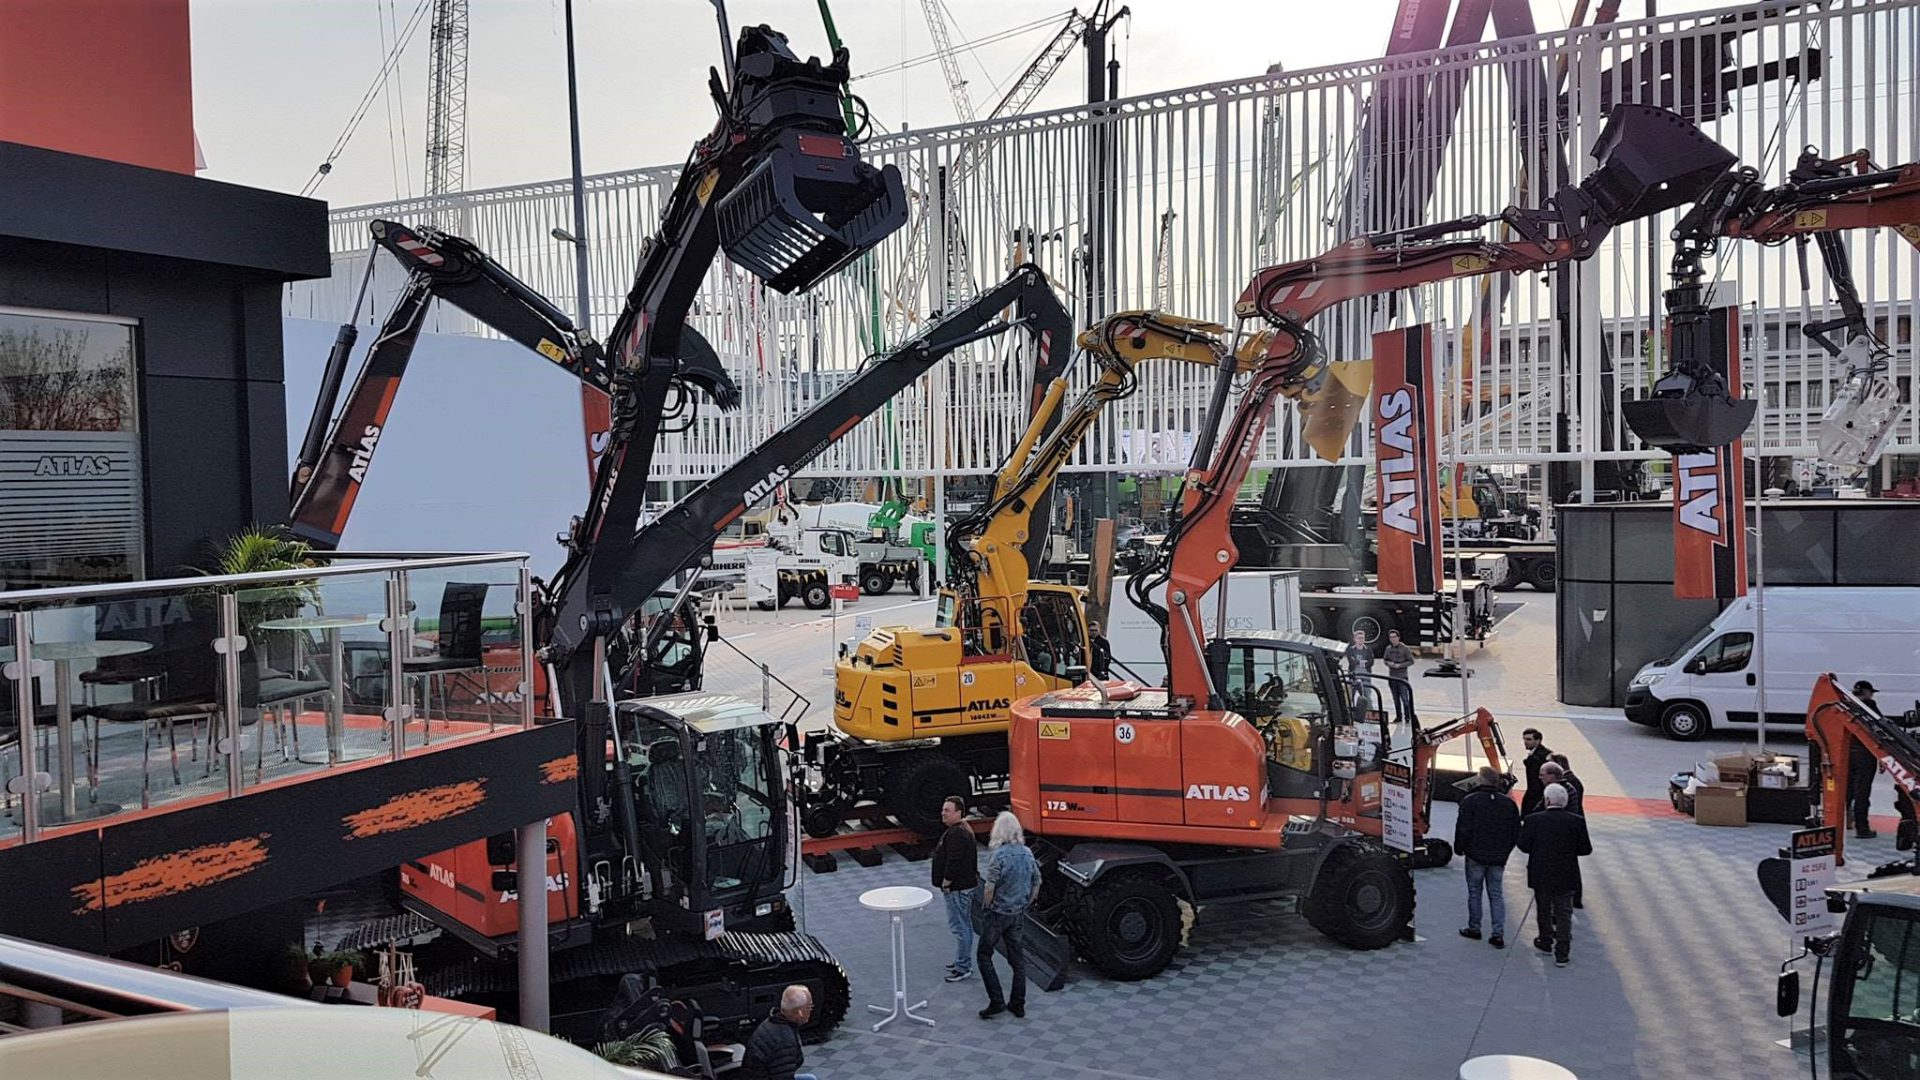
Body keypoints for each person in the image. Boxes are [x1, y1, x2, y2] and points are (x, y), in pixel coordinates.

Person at [1516, 783, 1592, 968]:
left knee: (1543, 909)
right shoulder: (1576, 821)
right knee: (1564, 912)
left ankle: (1545, 941)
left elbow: (1523, 845)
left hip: (1541, 872)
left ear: (1547, 800)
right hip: (1566, 873)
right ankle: (1563, 953)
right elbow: (1585, 849)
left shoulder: (1534, 820)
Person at [977, 811, 1039, 1020]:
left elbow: (989, 887)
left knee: (984, 955)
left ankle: (996, 1002)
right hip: (1017, 914)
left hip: (997, 914)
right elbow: (1036, 883)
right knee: (1017, 961)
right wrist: (1025, 903)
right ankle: (1018, 1004)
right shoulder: (1027, 853)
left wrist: (987, 906)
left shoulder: (1000, 855)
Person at [1455, 765, 1520, 949]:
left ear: (1481, 780)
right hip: (1498, 856)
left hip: (1475, 854)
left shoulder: (1470, 801)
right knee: (1496, 894)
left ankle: (1474, 927)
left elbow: (1463, 828)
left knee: (1475, 892)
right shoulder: (1508, 804)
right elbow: (1516, 830)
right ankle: (1498, 933)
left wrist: (1460, 848)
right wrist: (1506, 851)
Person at [930, 795, 979, 983]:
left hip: (958, 889)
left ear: (958, 812)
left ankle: (963, 967)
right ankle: (961, 961)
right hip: (961, 887)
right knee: (962, 925)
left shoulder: (957, 834)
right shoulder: (960, 829)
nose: (943, 813)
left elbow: (954, 861)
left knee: (960, 927)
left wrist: (946, 881)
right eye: (943, 810)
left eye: (947, 810)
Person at [739, 984, 816, 1080]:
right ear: (799, 1013)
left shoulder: (773, 1021)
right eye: (810, 1007)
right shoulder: (784, 1042)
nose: (811, 1010)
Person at [1851, 680, 1882, 838]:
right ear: (1866, 692)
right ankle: (1862, 828)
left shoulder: (1844, 705)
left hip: (1847, 754)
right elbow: (1880, 727)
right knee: (1862, 793)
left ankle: (1845, 821)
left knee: (1847, 791)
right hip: (1865, 755)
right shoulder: (1869, 706)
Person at [1381, 629, 1416, 724]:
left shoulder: (1405, 648)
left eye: (1394, 637)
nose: (1393, 639)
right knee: (1396, 699)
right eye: (1391, 637)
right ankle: (1398, 717)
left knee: (1405, 699)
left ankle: (1408, 717)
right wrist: (1390, 664)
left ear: (1398, 637)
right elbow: (1385, 660)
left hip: (1402, 677)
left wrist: (1400, 665)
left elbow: (1411, 661)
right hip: (1392, 677)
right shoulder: (1388, 649)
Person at [1519, 728, 1552, 816]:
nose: (1525, 742)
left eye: (1529, 739)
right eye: (1524, 739)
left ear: (1538, 741)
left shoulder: (1541, 757)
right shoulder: (1540, 754)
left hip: (1537, 796)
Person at [1344, 630, 1375, 710]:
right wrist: (1362, 662)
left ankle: (1369, 711)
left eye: (1362, 638)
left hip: (1366, 675)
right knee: (1351, 695)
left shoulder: (1368, 649)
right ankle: (1349, 710)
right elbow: (1351, 661)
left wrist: (1359, 662)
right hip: (1354, 674)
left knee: (1367, 694)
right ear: (1355, 639)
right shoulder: (1351, 649)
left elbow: (1371, 661)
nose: (1361, 640)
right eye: (1359, 638)